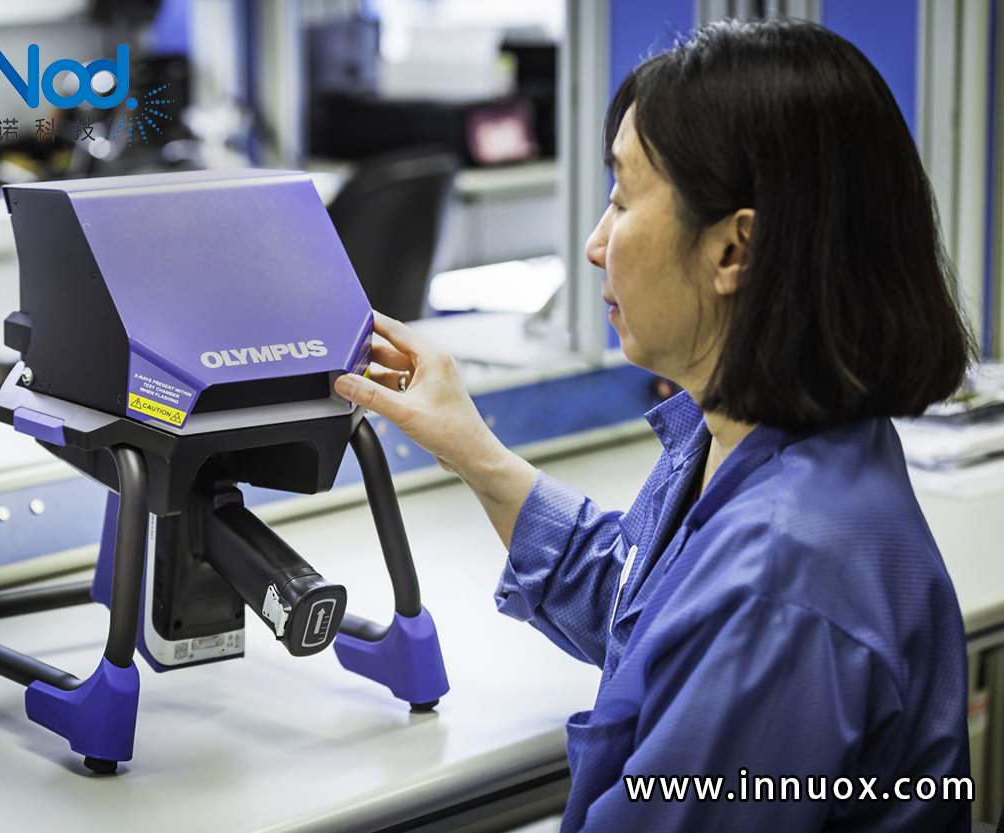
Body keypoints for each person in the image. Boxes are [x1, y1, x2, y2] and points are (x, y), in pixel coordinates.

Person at [333, 18, 975, 832]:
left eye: (622, 198)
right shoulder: (765, 436)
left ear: (733, 250)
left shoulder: (777, 585)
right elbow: (646, 610)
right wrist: (474, 452)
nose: (596, 244)